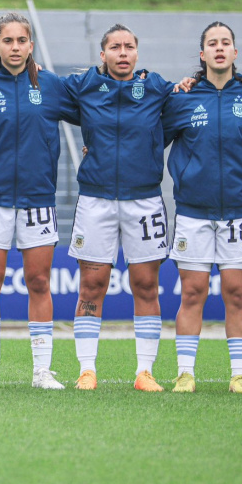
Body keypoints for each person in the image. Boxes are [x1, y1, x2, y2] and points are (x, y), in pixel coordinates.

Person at [0, 12, 79, 389]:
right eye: (7, 41)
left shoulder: (52, 86)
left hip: (38, 199)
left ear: (31, 45)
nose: (15, 47)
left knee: (39, 281)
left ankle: (42, 370)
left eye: (21, 40)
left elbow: (94, 111)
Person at [65, 24, 179, 392]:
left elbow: (197, 92)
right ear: (103, 55)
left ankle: (144, 372)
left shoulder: (157, 87)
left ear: (137, 52)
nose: (123, 53)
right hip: (96, 198)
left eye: (129, 46)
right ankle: (87, 370)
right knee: (92, 283)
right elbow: (38, 84)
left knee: (146, 284)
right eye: (115, 47)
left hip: (143, 199)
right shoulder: (83, 86)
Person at [162, 22, 242, 394]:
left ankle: (239, 375)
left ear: (235, 53)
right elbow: (146, 138)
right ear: (202, 54)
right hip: (193, 212)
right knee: (193, 293)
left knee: (237, 294)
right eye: (212, 43)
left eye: (226, 43)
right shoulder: (182, 99)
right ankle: (185, 374)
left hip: (239, 211)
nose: (219, 48)